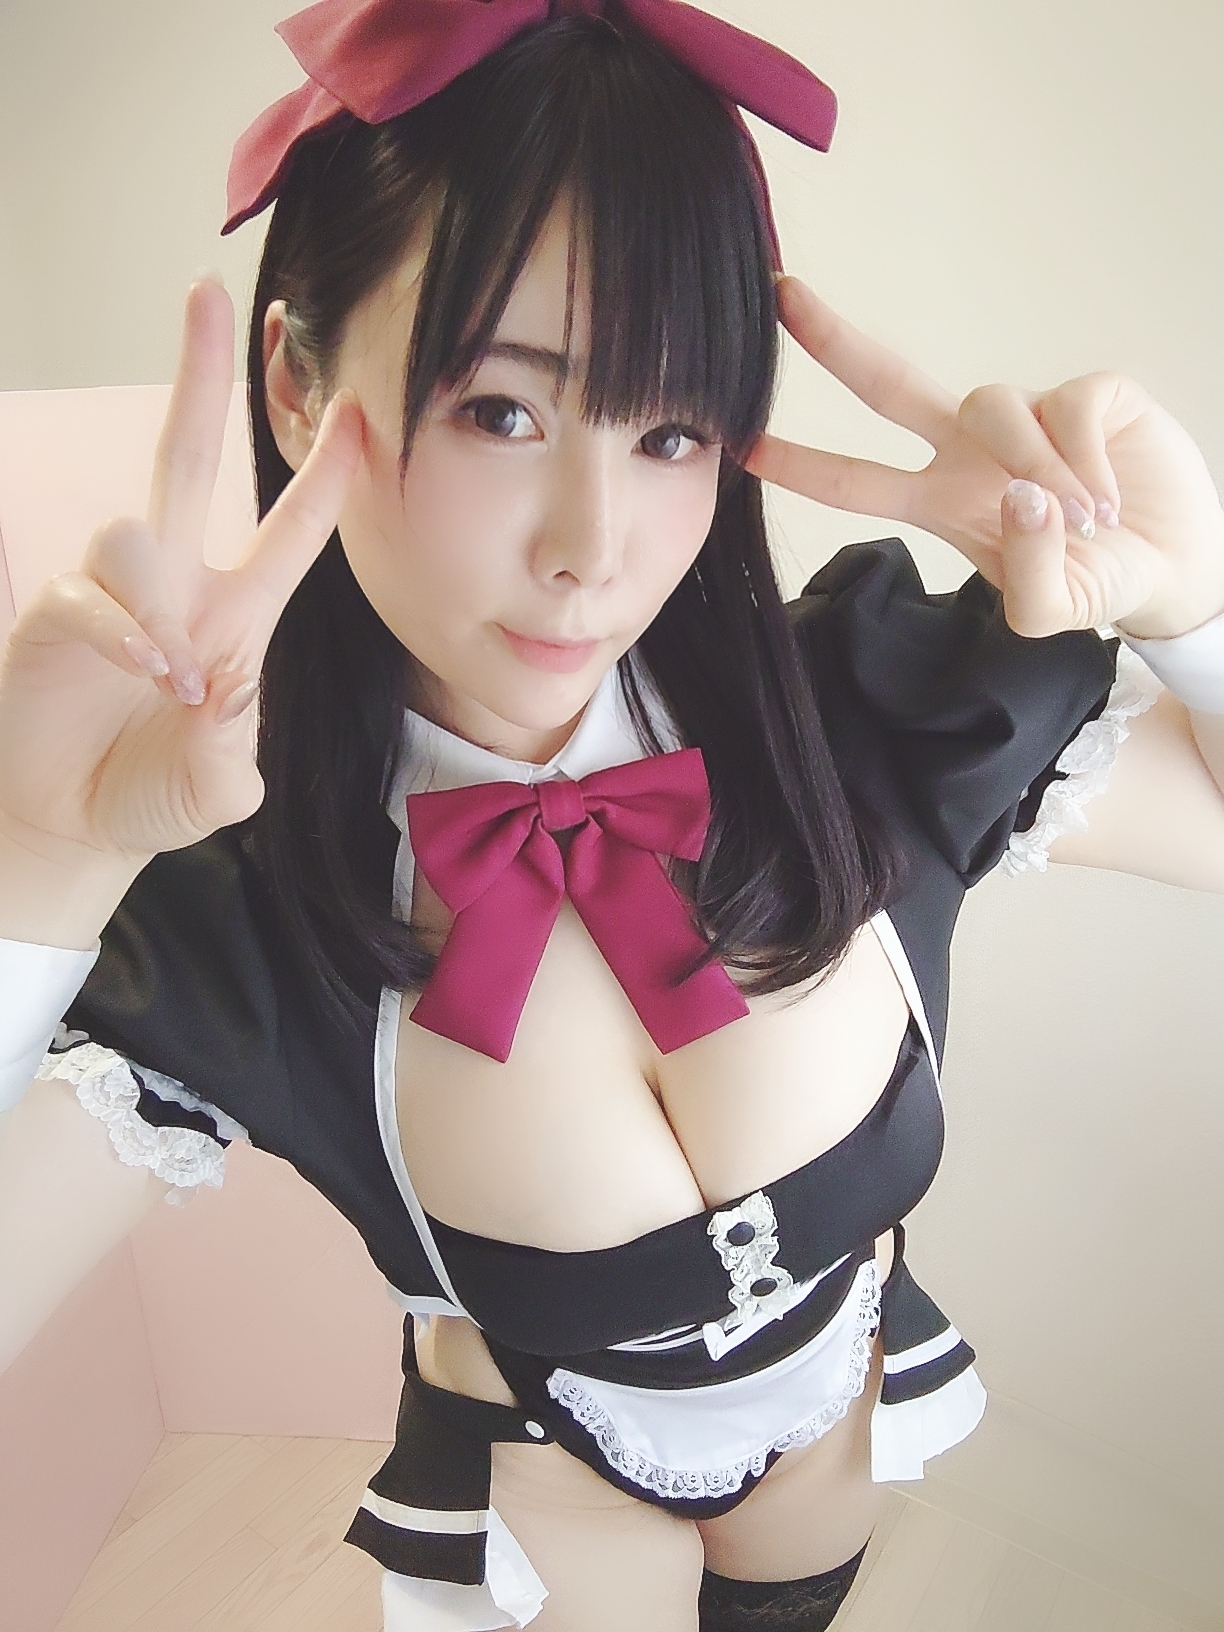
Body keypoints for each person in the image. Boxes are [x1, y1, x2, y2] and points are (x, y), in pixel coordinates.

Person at [2, 5, 1223, 1629]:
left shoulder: (857, 720)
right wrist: (40, 859)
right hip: (546, 1485)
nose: (591, 547)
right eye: (499, 410)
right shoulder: (244, 910)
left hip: (835, 1429)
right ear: (298, 385)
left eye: (670, 430)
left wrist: (1193, 609)